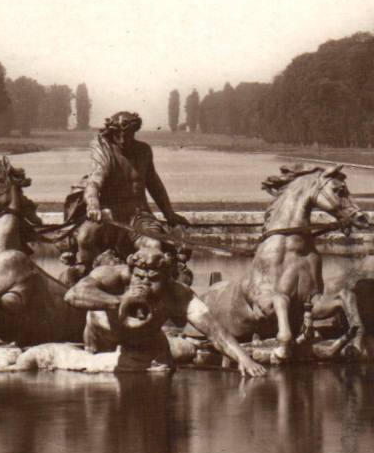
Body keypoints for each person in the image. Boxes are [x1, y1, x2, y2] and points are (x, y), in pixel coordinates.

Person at [64, 239, 266, 377]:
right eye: (139, 277)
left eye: (153, 279)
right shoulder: (112, 275)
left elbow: (214, 331)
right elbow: (73, 295)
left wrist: (243, 359)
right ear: (130, 272)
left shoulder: (177, 294)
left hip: (146, 343)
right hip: (103, 340)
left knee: (171, 365)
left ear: (167, 278)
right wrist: (120, 300)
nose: (144, 283)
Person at [63, 110, 189, 280]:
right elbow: (94, 182)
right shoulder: (106, 151)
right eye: (118, 135)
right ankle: (85, 276)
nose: (123, 140)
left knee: (153, 244)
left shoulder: (144, 151)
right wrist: (93, 205)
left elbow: (154, 184)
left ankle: (147, 283)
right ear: (112, 133)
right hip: (110, 217)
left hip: (139, 216)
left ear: (134, 131)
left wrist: (169, 214)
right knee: (85, 237)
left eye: (128, 135)